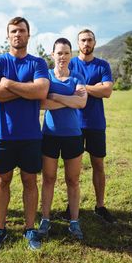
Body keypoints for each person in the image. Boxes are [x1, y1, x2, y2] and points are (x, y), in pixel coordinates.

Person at [0, 17, 49, 252]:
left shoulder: (38, 63)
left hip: (31, 136)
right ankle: (0, 228)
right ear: (8, 35)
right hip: (3, 135)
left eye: (22, 31)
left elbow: (41, 91)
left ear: (28, 35)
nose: (17, 34)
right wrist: (26, 90)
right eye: (13, 31)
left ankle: (30, 228)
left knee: (30, 181)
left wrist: (9, 84)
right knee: (2, 181)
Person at [38, 38, 87, 240]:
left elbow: (81, 103)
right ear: (52, 55)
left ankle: (74, 222)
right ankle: (45, 220)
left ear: (71, 55)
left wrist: (55, 97)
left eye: (67, 53)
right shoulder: (46, 76)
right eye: (59, 53)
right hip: (50, 135)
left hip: (73, 135)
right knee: (48, 179)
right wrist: (69, 100)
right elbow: (41, 103)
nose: (63, 57)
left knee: (72, 180)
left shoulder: (77, 77)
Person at [68, 29, 116, 223]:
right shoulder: (70, 64)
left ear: (95, 42)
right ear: (77, 43)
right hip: (73, 124)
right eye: (82, 40)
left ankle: (100, 205)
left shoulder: (102, 65)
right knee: (73, 169)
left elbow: (107, 91)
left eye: (89, 40)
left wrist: (84, 87)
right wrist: (95, 87)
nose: (86, 43)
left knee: (98, 165)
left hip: (96, 123)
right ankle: (71, 207)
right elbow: (66, 87)